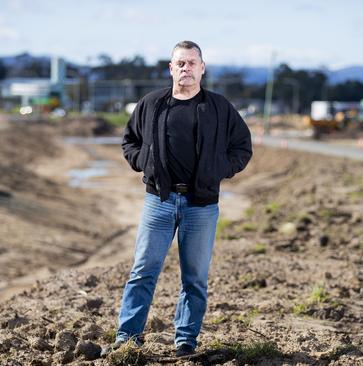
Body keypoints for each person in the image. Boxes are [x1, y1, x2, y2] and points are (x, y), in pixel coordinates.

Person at [101, 40, 252, 358]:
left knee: (194, 277)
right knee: (143, 271)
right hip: (159, 201)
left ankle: (185, 341)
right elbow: (130, 140)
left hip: (202, 205)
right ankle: (128, 337)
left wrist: (219, 169)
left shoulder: (219, 108)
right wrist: (144, 162)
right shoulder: (152, 103)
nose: (186, 68)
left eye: (192, 62)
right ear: (171, 68)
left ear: (202, 68)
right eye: (180, 63)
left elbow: (242, 147)